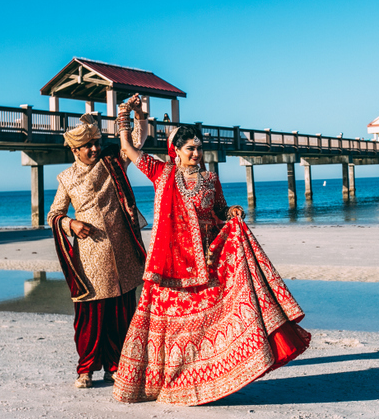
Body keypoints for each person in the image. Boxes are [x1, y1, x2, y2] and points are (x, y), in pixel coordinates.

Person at [112, 101, 310, 406]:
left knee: (204, 327)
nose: (196, 153)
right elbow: (127, 146)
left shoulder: (210, 180)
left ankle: (207, 380)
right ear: (176, 150)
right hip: (169, 270)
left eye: (199, 148)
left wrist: (231, 211)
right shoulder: (161, 174)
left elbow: (219, 211)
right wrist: (128, 114)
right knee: (166, 330)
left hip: (206, 263)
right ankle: (157, 384)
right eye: (190, 148)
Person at [47, 96, 149, 389]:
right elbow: (54, 214)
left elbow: (136, 142)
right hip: (90, 256)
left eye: (96, 143)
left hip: (122, 249)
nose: (94, 149)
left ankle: (116, 366)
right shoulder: (66, 178)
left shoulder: (112, 162)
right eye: (87, 146)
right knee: (90, 317)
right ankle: (86, 369)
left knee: (121, 313)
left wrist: (138, 116)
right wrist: (71, 224)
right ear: (75, 150)